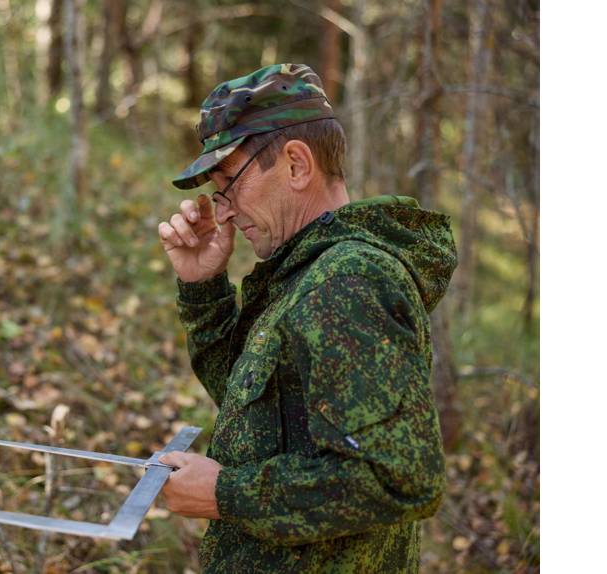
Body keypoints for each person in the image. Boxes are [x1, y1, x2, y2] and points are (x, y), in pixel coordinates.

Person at [154, 63, 457, 572]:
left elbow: (399, 479)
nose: (221, 211)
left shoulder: (347, 281)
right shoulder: (307, 273)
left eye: (228, 183)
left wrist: (226, 493)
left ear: (296, 165)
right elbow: (251, 410)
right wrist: (202, 285)